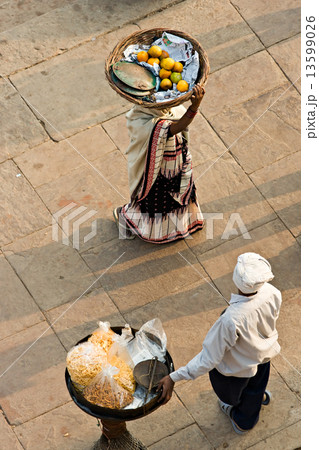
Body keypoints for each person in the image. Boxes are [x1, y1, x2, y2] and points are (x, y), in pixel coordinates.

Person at [158, 252, 282, 434]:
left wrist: (173, 377)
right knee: (256, 387)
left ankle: (242, 421)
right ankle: (254, 402)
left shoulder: (230, 320)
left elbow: (208, 359)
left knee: (234, 396)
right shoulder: (273, 292)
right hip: (264, 357)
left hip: (236, 372)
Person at [113, 85, 205, 243]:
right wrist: (194, 107)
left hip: (176, 163)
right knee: (163, 199)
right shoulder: (142, 120)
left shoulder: (165, 111)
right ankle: (173, 229)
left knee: (172, 196)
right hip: (157, 171)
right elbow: (175, 128)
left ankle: (166, 230)